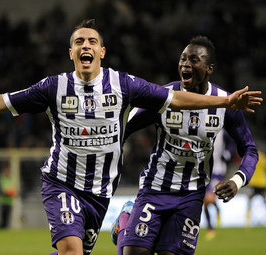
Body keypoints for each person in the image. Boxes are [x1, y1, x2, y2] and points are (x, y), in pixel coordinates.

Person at [0, 20, 262, 255]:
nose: (85, 45)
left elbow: (176, 100)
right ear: (71, 53)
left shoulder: (125, 85)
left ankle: (122, 220)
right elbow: (3, 101)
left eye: (92, 41)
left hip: (103, 194)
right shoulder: (53, 87)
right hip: (63, 183)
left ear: (102, 52)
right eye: (78, 41)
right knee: (74, 250)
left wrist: (225, 101)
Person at [111, 36, 260, 255]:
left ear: (209, 68)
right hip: (155, 187)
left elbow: (250, 149)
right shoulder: (163, 97)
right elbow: (122, 130)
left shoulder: (227, 102)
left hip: (190, 196)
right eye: (182, 59)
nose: (185, 64)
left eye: (193, 59)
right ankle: (126, 221)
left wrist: (237, 181)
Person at [203, 129, 234, 240]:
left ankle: (211, 228)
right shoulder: (203, 129)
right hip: (205, 171)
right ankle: (212, 224)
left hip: (218, 171)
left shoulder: (223, 132)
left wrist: (227, 153)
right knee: (205, 202)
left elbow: (232, 143)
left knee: (208, 199)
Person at [246, 150, 266, 227]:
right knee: (264, 201)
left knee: (250, 200)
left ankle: (247, 220)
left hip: (254, 183)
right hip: (262, 183)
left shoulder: (251, 157)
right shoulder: (263, 157)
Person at [0, 163, 17, 229]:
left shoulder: (10, 179)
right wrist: (8, 192)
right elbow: (1, 190)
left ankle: (5, 228)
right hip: (3, 201)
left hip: (9, 201)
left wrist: (11, 192)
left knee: (7, 217)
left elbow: (13, 189)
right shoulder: (1, 179)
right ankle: (1, 228)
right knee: (2, 217)